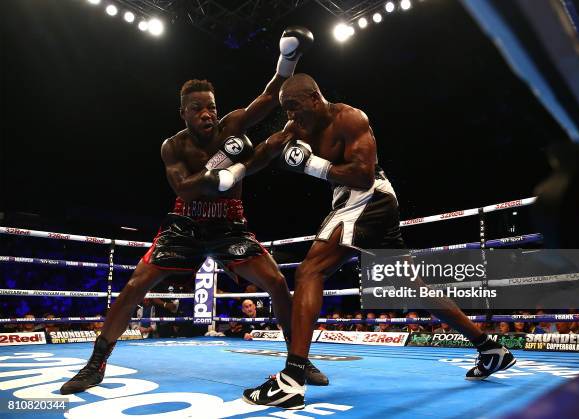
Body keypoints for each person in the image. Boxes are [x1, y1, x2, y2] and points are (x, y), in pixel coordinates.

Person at [59, 28, 329, 395]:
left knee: (278, 282)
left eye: (211, 107)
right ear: (183, 112)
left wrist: (290, 57)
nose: (207, 114)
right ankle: (95, 365)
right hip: (185, 223)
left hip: (230, 223)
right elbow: (184, 187)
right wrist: (221, 161)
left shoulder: (232, 125)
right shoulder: (173, 146)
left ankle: (298, 360)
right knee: (136, 284)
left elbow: (269, 96)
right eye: (198, 108)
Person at [236, 74, 515, 409]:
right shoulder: (299, 128)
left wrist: (311, 165)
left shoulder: (351, 119)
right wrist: (230, 173)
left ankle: (292, 380)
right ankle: (490, 348)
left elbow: (363, 175)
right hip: (358, 200)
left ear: (314, 97)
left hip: (368, 196)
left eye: (294, 107)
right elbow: (269, 149)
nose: (291, 116)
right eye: (286, 111)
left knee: (310, 271)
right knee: (414, 287)